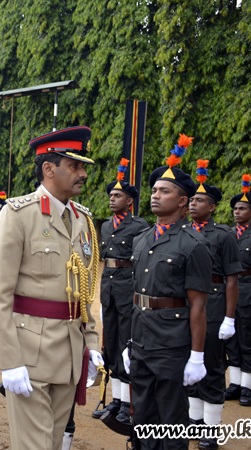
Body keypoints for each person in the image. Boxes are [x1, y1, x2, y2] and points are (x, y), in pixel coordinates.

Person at [0, 127, 102, 450]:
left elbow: (85, 290)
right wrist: (8, 360)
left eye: (84, 167)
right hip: (29, 353)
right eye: (74, 166)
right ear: (49, 169)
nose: (82, 174)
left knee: (51, 444)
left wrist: (91, 343)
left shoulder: (83, 220)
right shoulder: (18, 215)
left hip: (68, 355)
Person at [123, 134, 212, 450]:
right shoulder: (142, 239)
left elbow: (198, 306)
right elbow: (136, 296)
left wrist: (197, 357)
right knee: (143, 413)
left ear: (183, 201)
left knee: (172, 417)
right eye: (154, 190)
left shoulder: (193, 245)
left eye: (165, 191)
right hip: (142, 339)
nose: (155, 195)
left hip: (172, 343)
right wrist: (129, 342)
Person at [186, 159, 241, 450]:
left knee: (212, 364)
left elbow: (232, 279)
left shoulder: (223, 235)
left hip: (215, 301)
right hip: (188, 301)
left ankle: (211, 426)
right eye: (192, 198)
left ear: (213, 206)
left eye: (201, 200)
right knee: (191, 363)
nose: (194, 204)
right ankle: (194, 420)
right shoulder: (183, 230)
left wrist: (229, 318)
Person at [93, 158, 148, 425]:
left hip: (129, 289)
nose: (112, 199)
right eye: (111, 195)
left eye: (118, 195)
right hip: (110, 290)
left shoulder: (140, 226)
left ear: (130, 201)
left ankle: (129, 404)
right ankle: (116, 400)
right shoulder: (105, 225)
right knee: (112, 345)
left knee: (128, 345)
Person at [224, 174, 251, 407]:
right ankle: (235, 383)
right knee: (230, 339)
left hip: (249, 288)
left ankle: (247, 387)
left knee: (248, 338)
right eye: (236, 208)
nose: (237, 212)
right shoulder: (227, 234)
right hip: (228, 290)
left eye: (243, 208)